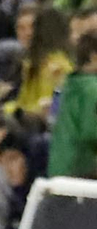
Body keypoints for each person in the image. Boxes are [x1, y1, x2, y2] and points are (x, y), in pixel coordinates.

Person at [50, 31, 97, 177]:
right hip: (80, 171)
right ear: (94, 56)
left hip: (59, 165)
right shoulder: (92, 89)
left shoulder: (68, 84)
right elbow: (89, 131)